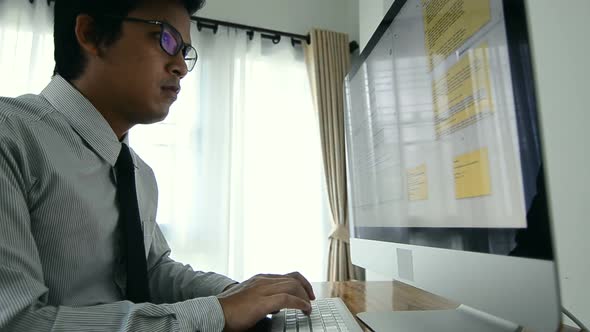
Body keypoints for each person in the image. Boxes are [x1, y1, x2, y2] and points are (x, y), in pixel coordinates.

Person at [0, 0, 315, 331]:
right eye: (166, 39)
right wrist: (218, 311)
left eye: (185, 52)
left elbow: (153, 271)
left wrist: (238, 293)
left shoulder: (138, 172)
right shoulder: (10, 136)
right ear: (91, 34)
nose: (180, 66)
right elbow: (15, 322)